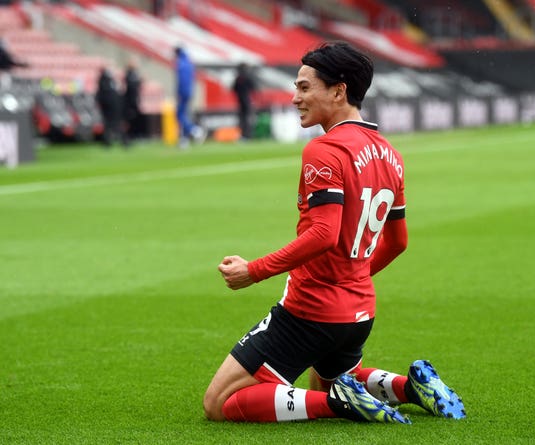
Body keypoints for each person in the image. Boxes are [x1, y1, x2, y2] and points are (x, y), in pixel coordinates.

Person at [203, 41, 466, 424]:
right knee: (324, 382)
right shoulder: (390, 154)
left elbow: (325, 233)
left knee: (220, 402)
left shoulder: (325, 150)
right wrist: (351, 278)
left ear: (339, 91)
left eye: (305, 87)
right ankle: (408, 389)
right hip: (359, 314)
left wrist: (254, 270)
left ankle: (342, 404)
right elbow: (398, 242)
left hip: (311, 311)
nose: (295, 98)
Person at [174, 45, 204, 148]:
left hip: (183, 92)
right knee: (185, 114)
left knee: (180, 115)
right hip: (189, 91)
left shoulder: (181, 64)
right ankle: (185, 138)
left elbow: (182, 81)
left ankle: (194, 130)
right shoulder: (189, 63)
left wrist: (179, 92)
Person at [95, 67, 122, 147]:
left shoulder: (102, 80)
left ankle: (108, 141)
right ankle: (122, 140)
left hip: (107, 105)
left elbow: (100, 93)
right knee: (115, 123)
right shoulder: (111, 80)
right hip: (113, 105)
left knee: (108, 123)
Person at [232, 62, 256, 140]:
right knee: (247, 119)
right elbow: (253, 88)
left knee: (243, 119)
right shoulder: (247, 77)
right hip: (246, 101)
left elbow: (233, 89)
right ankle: (247, 135)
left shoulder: (238, 78)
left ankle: (244, 135)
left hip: (241, 101)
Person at [122, 58, 143, 145]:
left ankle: (132, 137)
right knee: (129, 121)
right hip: (129, 102)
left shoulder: (134, 74)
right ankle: (126, 138)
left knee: (134, 121)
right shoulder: (129, 74)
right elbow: (131, 87)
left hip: (134, 101)